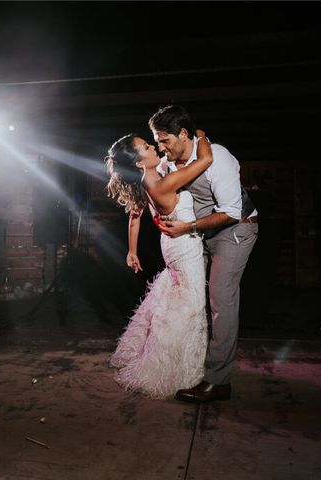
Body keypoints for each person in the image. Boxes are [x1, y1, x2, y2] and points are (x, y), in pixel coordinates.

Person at [149, 104, 258, 404]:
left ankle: (218, 382)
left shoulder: (216, 157)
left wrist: (187, 226)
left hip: (235, 231)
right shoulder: (171, 160)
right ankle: (199, 367)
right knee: (198, 300)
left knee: (221, 300)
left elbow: (232, 212)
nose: (161, 147)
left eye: (164, 140)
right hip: (202, 234)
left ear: (182, 134)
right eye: (156, 141)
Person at [104, 129, 213, 399]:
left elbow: (134, 216)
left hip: (174, 246)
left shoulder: (147, 181)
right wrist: (200, 136)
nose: (153, 147)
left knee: (178, 299)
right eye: (146, 148)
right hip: (184, 247)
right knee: (191, 305)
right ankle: (175, 369)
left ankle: (180, 362)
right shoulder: (161, 184)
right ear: (139, 162)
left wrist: (132, 251)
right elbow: (205, 161)